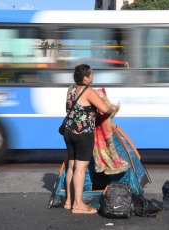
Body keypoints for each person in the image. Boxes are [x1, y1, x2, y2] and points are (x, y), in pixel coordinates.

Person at [63, 64, 118, 214]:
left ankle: (69, 201)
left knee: (72, 167)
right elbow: (105, 109)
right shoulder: (88, 91)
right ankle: (78, 204)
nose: (92, 77)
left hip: (68, 132)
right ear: (85, 77)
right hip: (83, 134)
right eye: (91, 74)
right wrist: (113, 107)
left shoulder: (71, 89)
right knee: (80, 169)